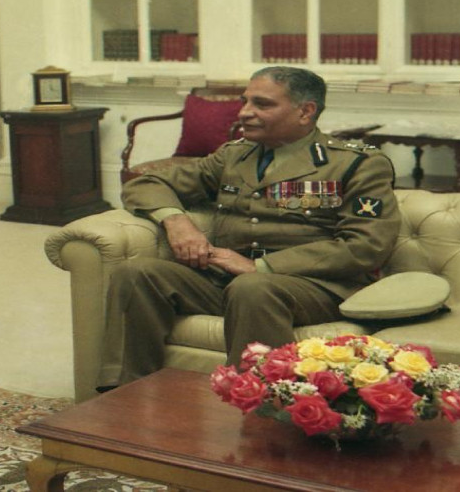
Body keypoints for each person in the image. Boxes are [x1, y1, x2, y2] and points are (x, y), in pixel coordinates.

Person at [98, 66, 401, 389]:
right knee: (137, 273)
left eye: (262, 104)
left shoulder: (356, 164)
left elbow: (366, 245)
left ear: (305, 111)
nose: (244, 112)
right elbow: (145, 183)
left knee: (252, 287)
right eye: (245, 101)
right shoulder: (234, 155)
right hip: (227, 279)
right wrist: (176, 221)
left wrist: (262, 267)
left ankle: (253, 401)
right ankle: (124, 391)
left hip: (314, 286)